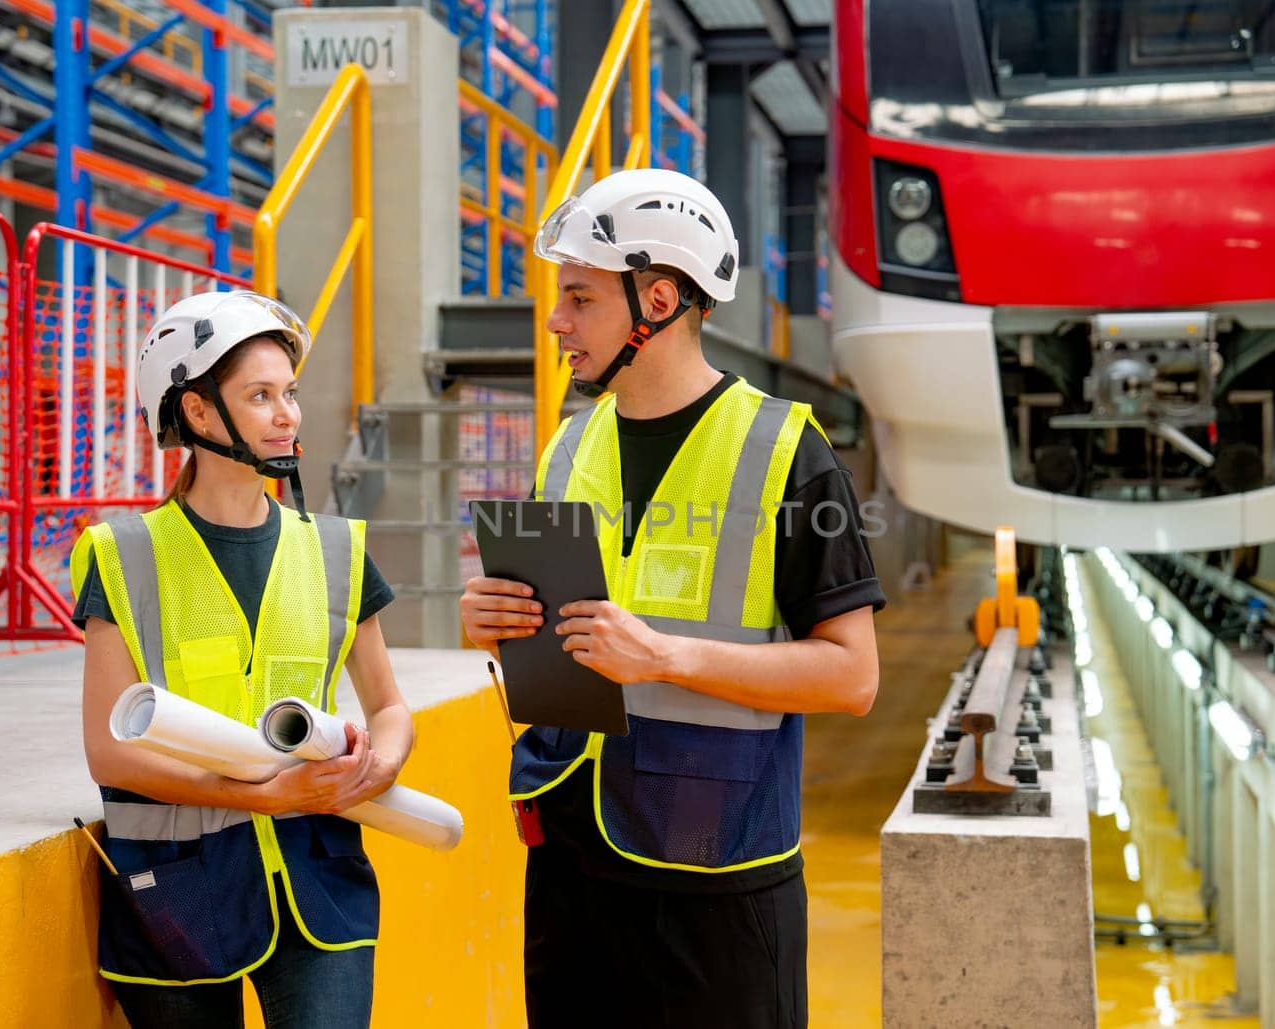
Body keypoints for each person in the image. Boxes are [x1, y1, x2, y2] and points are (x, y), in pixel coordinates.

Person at [460, 169, 886, 1028]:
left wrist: (666, 656)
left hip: (718, 880)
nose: (556, 322)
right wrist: (492, 628)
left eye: (580, 297)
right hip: (575, 874)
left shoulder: (787, 454)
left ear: (655, 300)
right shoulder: (567, 448)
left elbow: (853, 678)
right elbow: (559, 650)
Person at [73, 289, 412, 1029]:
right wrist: (254, 796)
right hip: (178, 898)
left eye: (288, 393)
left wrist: (382, 761)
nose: (288, 413)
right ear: (197, 411)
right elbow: (108, 748)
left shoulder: (336, 550)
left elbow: (388, 706)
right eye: (261, 395)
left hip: (317, 881)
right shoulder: (124, 556)